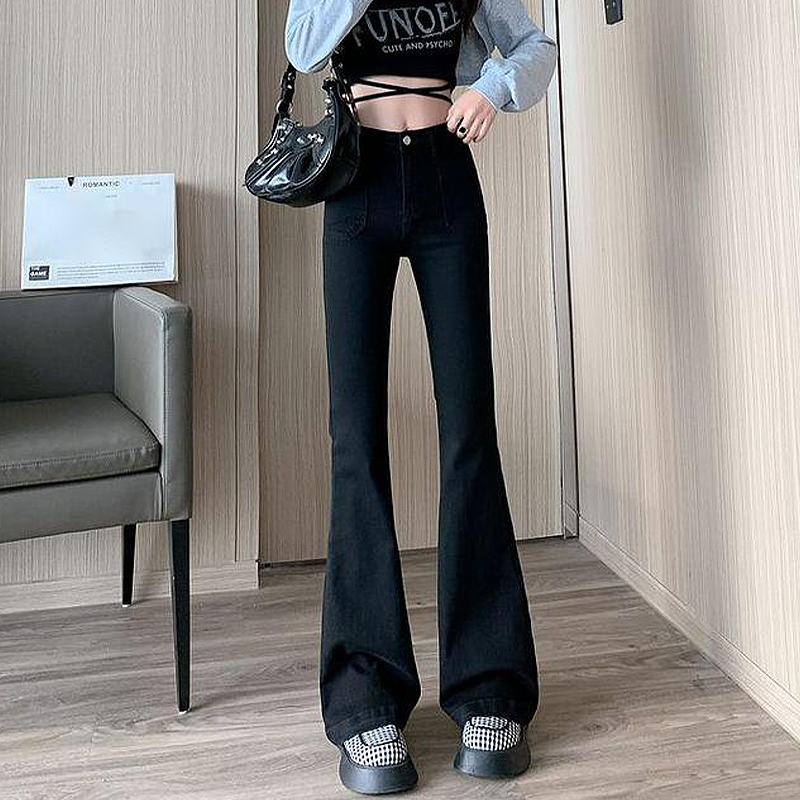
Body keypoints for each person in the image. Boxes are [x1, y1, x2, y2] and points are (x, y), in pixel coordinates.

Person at [284, 0, 558, 793]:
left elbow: (536, 46)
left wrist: (493, 87)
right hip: (356, 181)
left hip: (445, 181)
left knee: (470, 430)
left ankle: (490, 689)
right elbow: (303, 48)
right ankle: (365, 700)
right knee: (355, 440)